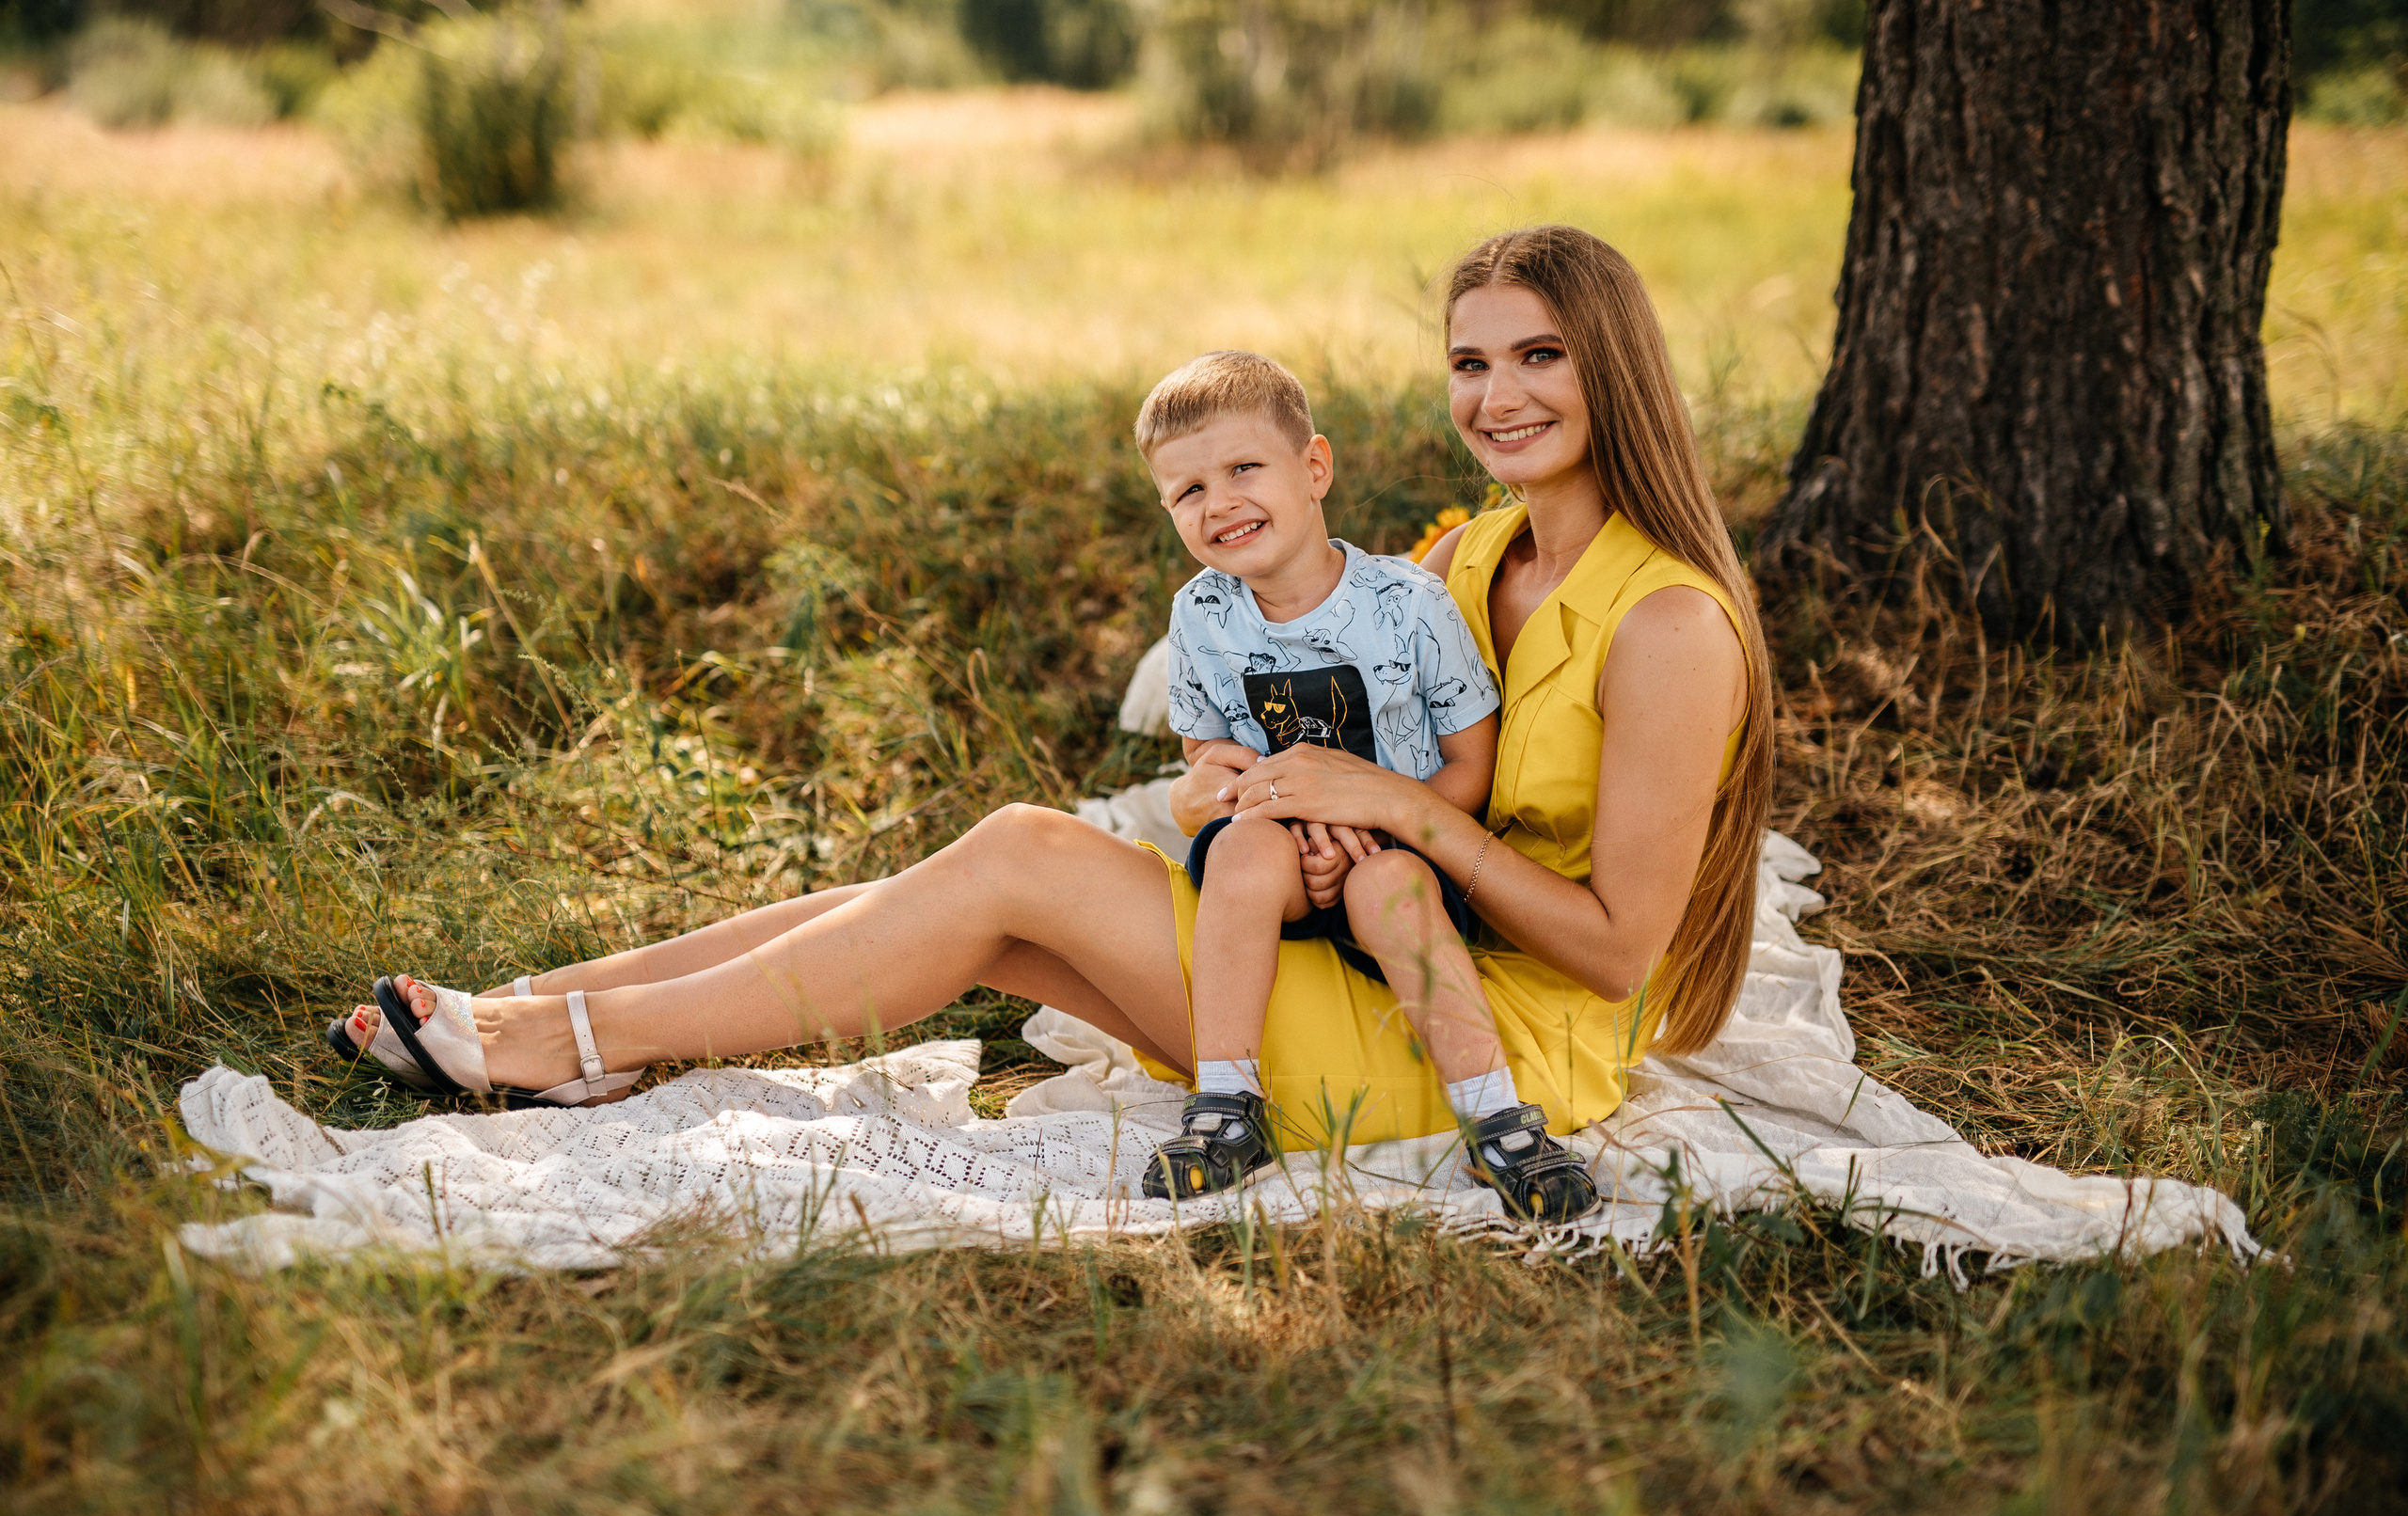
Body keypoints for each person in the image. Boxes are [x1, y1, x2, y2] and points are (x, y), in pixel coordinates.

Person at [328, 224, 1773, 1225]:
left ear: (1613, 371)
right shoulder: (1469, 559)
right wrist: (1276, 809)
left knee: (1019, 858)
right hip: (1352, 934)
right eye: (1471, 362)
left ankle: (557, 1037)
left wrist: (1395, 816)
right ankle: (556, 1005)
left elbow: (1614, 948)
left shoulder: (1668, 623)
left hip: (1468, 1032)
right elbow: (1361, 763)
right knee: (972, 907)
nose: (1498, 395)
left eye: (1539, 357)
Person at [1133, 351, 1584, 1213]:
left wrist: (1377, 827)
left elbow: (1471, 764)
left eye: (1241, 469)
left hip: (1401, 849)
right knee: (1244, 855)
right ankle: (1228, 1103)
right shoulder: (1200, 614)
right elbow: (1208, 755)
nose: (1218, 502)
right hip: (1277, 855)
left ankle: (1498, 1123)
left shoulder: (1408, 604)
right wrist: (1246, 805)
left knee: (1391, 887)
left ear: (1313, 468)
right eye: (1187, 492)